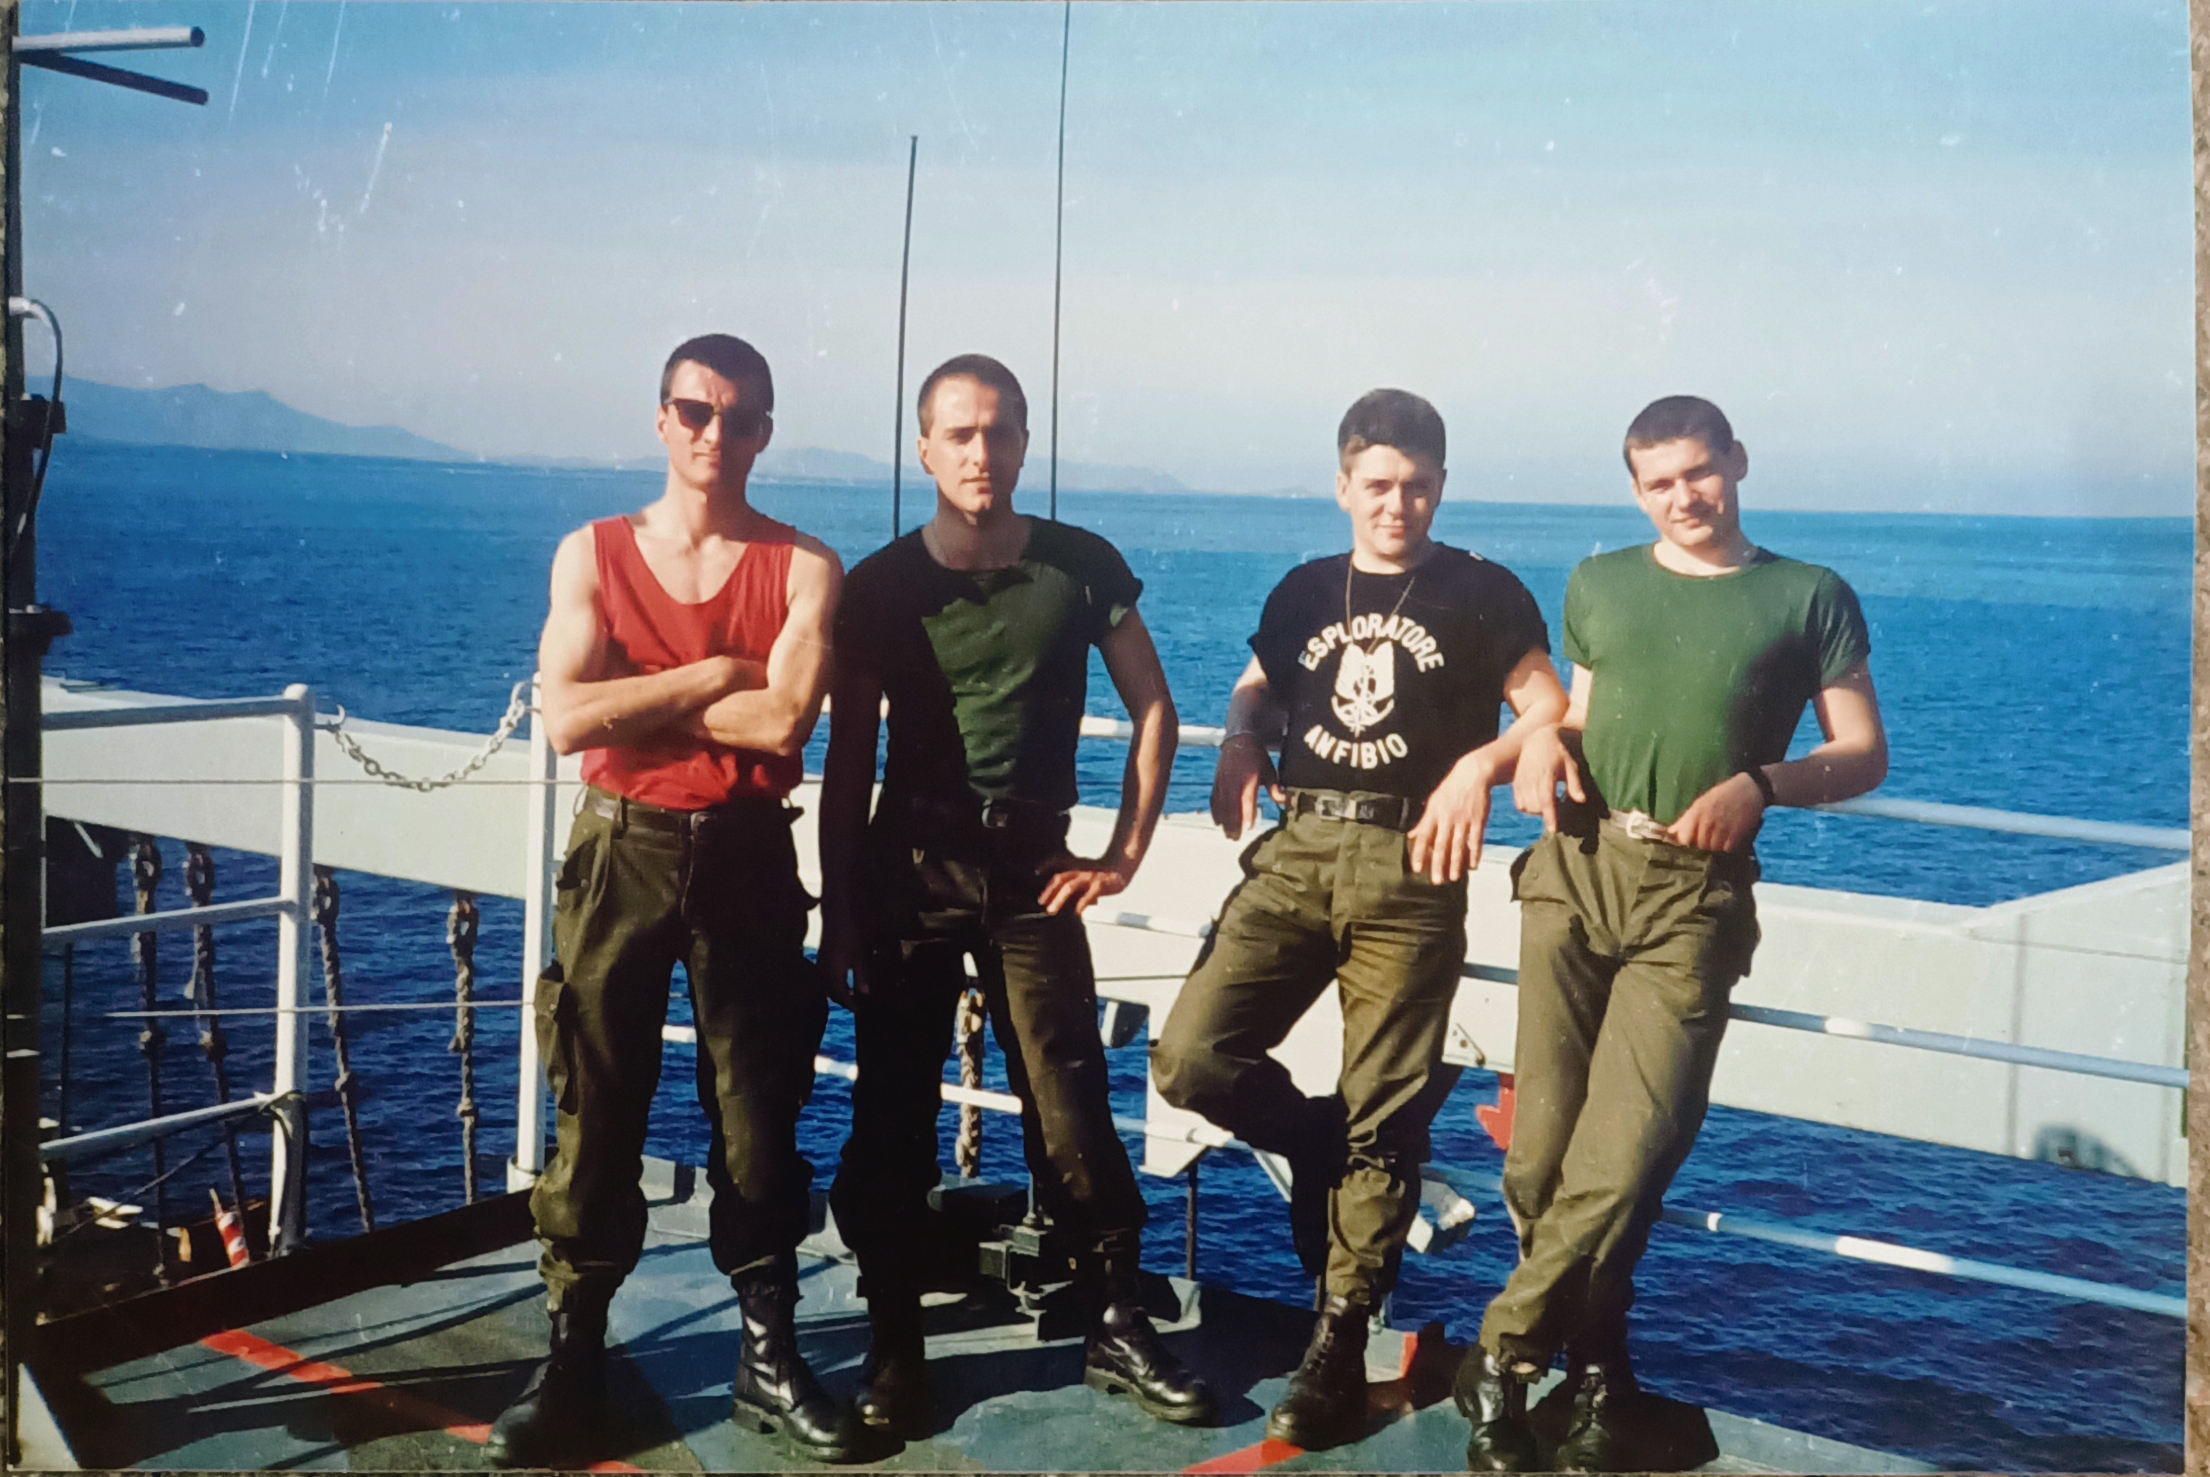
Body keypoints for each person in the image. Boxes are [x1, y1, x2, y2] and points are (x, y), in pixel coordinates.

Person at [1456, 395, 1888, 1472]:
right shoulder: (1599, 582)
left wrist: (1761, 784)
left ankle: (1500, 1355)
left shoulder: (1808, 595)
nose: (1683, 497)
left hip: (1692, 896)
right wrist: (1539, 746)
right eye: (1659, 482)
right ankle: (1597, 1373)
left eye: (1699, 471)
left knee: (1624, 1156)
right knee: (1538, 1163)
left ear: (1736, 460)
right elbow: (1578, 713)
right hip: (1576, 866)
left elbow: (1863, 751)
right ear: (1635, 490)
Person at [1150, 388, 1566, 1451]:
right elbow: (1255, 685)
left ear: (1441, 485)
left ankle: (1336, 1346)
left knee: (1385, 1115)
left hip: (1411, 865)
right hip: (1298, 850)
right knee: (1190, 1057)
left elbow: (1546, 705)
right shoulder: (1304, 590)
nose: (1397, 504)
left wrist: (1478, 767)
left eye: (1417, 485)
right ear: (1343, 485)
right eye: (1377, 484)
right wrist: (1241, 738)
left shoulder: (1481, 591)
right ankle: (1314, 1137)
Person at [820, 353, 1217, 1440]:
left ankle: (1114, 1320)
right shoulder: (882, 586)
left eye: (999, 432)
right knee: (893, 1111)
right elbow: (848, 757)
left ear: (1026, 442)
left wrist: (1123, 854)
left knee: (1070, 1100)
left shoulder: (1079, 566)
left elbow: (1154, 709)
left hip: (1034, 872)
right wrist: (840, 910)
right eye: (958, 433)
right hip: (908, 870)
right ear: (923, 448)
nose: (980, 452)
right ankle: (894, 1340)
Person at [488, 334, 857, 1467]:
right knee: (596, 1102)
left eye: (738, 418)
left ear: (764, 433)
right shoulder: (592, 553)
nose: (714, 433)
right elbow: (564, 719)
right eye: (695, 411)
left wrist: (630, 695)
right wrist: (711, 675)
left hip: (747, 855)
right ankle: (573, 1360)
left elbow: (783, 725)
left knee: (757, 1109)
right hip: (621, 851)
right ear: (662, 418)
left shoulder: (805, 566)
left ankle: (767, 1355)